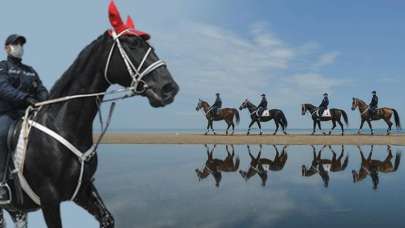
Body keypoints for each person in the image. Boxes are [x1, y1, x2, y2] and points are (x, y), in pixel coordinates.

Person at [0, 34, 49, 203]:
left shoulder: (30, 70)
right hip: (8, 114)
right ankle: (2, 183)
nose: (19, 47)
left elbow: (41, 88)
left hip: (30, 115)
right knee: (2, 134)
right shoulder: (3, 67)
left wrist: (46, 99)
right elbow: (4, 88)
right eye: (15, 44)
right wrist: (25, 98)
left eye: (21, 44)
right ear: (7, 48)